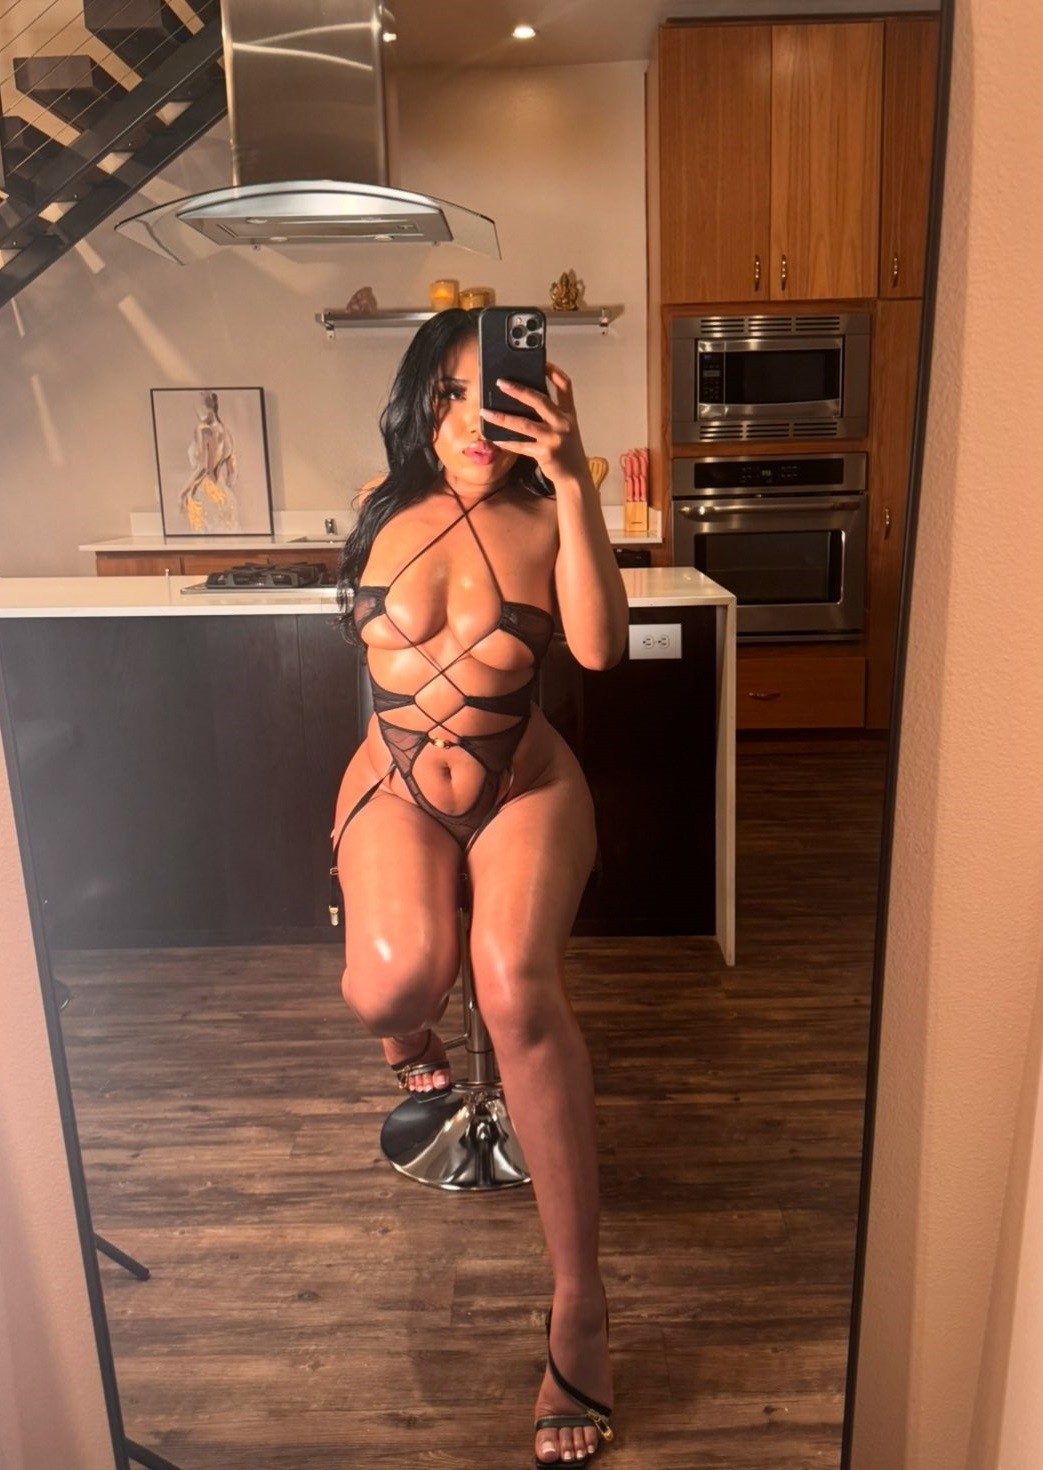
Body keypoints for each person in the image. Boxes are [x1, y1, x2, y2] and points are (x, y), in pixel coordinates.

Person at [332, 309, 629, 1465]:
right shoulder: (377, 501)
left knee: (513, 988)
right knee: (389, 984)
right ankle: (408, 1036)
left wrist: (573, 475)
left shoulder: (550, 513)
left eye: (498, 396)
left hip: (522, 785)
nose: (474, 421)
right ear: (424, 399)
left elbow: (597, 649)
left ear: (534, 403)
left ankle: (579, 1310)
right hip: (394, 783)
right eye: (452, 394)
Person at [179, 390, 240, 532]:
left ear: (204, 407)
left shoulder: (203, 430)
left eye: (197, 407)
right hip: (224, 496)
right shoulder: (227, 432)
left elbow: (203, 468)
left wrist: (183, 493)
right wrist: (222, 493)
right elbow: (233, 473)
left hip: (203, 493)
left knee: (203, 540)